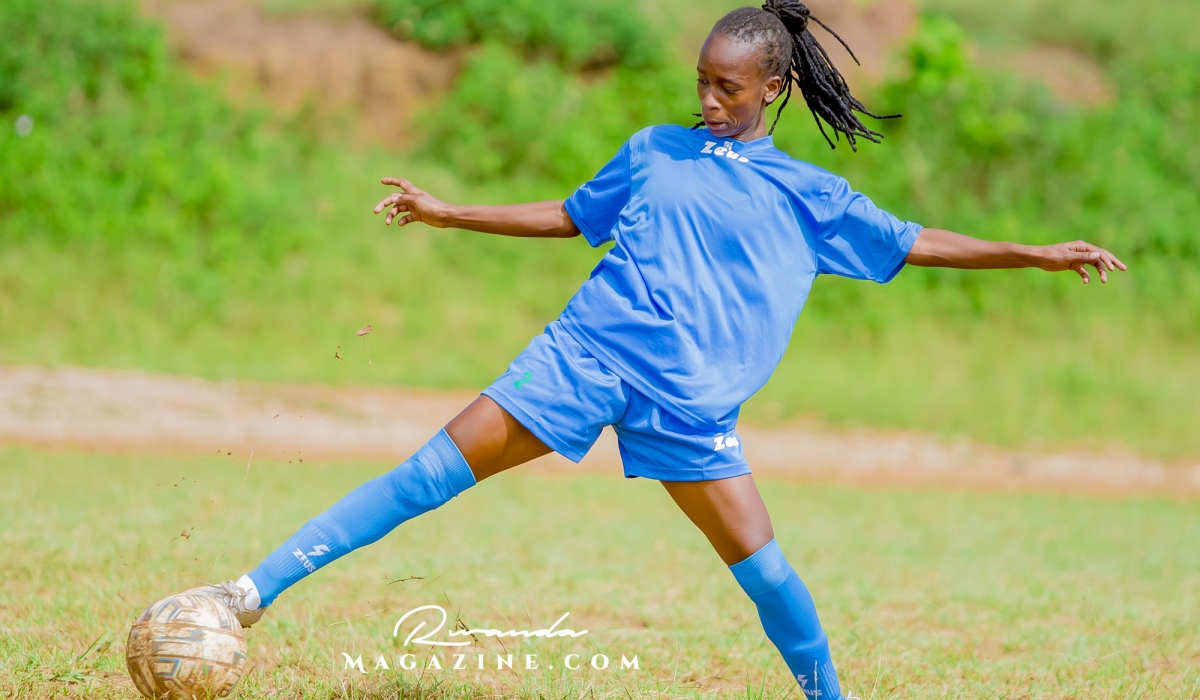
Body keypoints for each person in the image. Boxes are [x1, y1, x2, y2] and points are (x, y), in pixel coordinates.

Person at [183, 2, 1126, 697]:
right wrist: (448, 210)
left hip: (690, 404)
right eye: (702, 83)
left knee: (764, 570)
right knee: (427, 472)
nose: (710, 100)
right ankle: (247, 591)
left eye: (728, 86)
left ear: (774, 88)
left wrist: (1035, 254)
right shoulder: (652, 150)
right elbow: (567, 215)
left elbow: (917, 240)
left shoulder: (809, 195)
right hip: (584, 356)